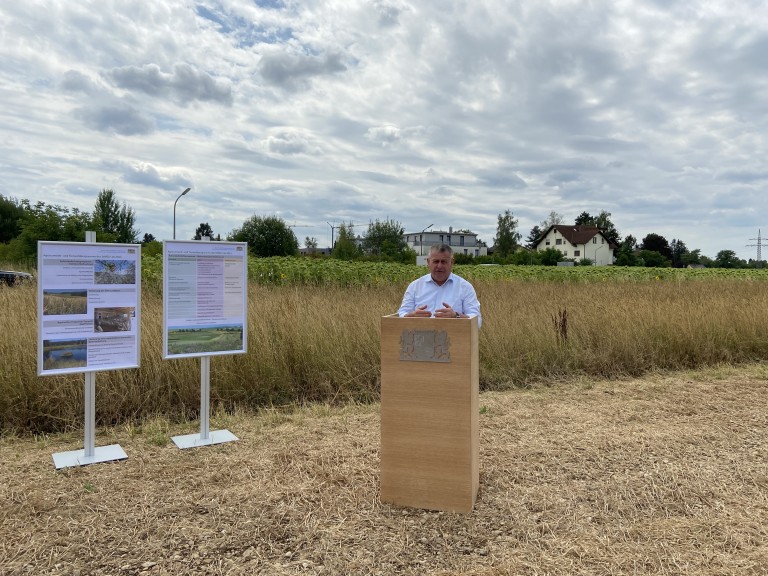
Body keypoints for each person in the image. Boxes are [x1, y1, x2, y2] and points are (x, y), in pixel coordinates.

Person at [398, 243, 482, 327]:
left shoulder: (465, 287)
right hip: (420, 338)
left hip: (454, 338)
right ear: (428, 262)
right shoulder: (415, 286)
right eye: (436, 261)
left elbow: (477, 322)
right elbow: (401, 314)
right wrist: (411, 315)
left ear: (452, 262)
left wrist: (456, 316)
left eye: (444, 262)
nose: (439, 266)